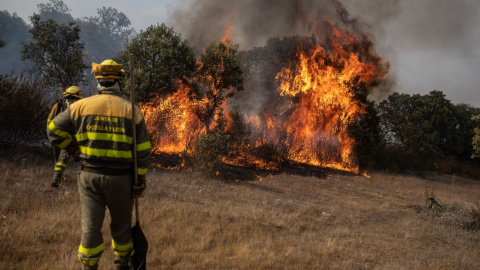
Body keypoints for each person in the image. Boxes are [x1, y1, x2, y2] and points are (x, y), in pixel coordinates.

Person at [47, 59, 151, 270]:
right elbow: (142, 151)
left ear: (98, 82)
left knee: (91, 228)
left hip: (89, 178)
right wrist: (140, 180)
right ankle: (122, 265)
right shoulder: (132, 110)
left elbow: (53, 130)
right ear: (119, 82)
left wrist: (74, 149)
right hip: (121, 180)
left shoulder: (80, 106)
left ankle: (89, 267)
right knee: (122, 228)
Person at [47, 86, 84, 187]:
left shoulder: (77, 110)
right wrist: (52, 137)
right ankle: (59, 177)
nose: (75, 101)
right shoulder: (58, 106)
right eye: (74, 99)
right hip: (58, 137)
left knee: (63, 159)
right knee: (57, 160)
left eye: (77, 99)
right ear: (69, 98)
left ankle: (54, 182)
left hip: (68, 139)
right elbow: (50, 121)